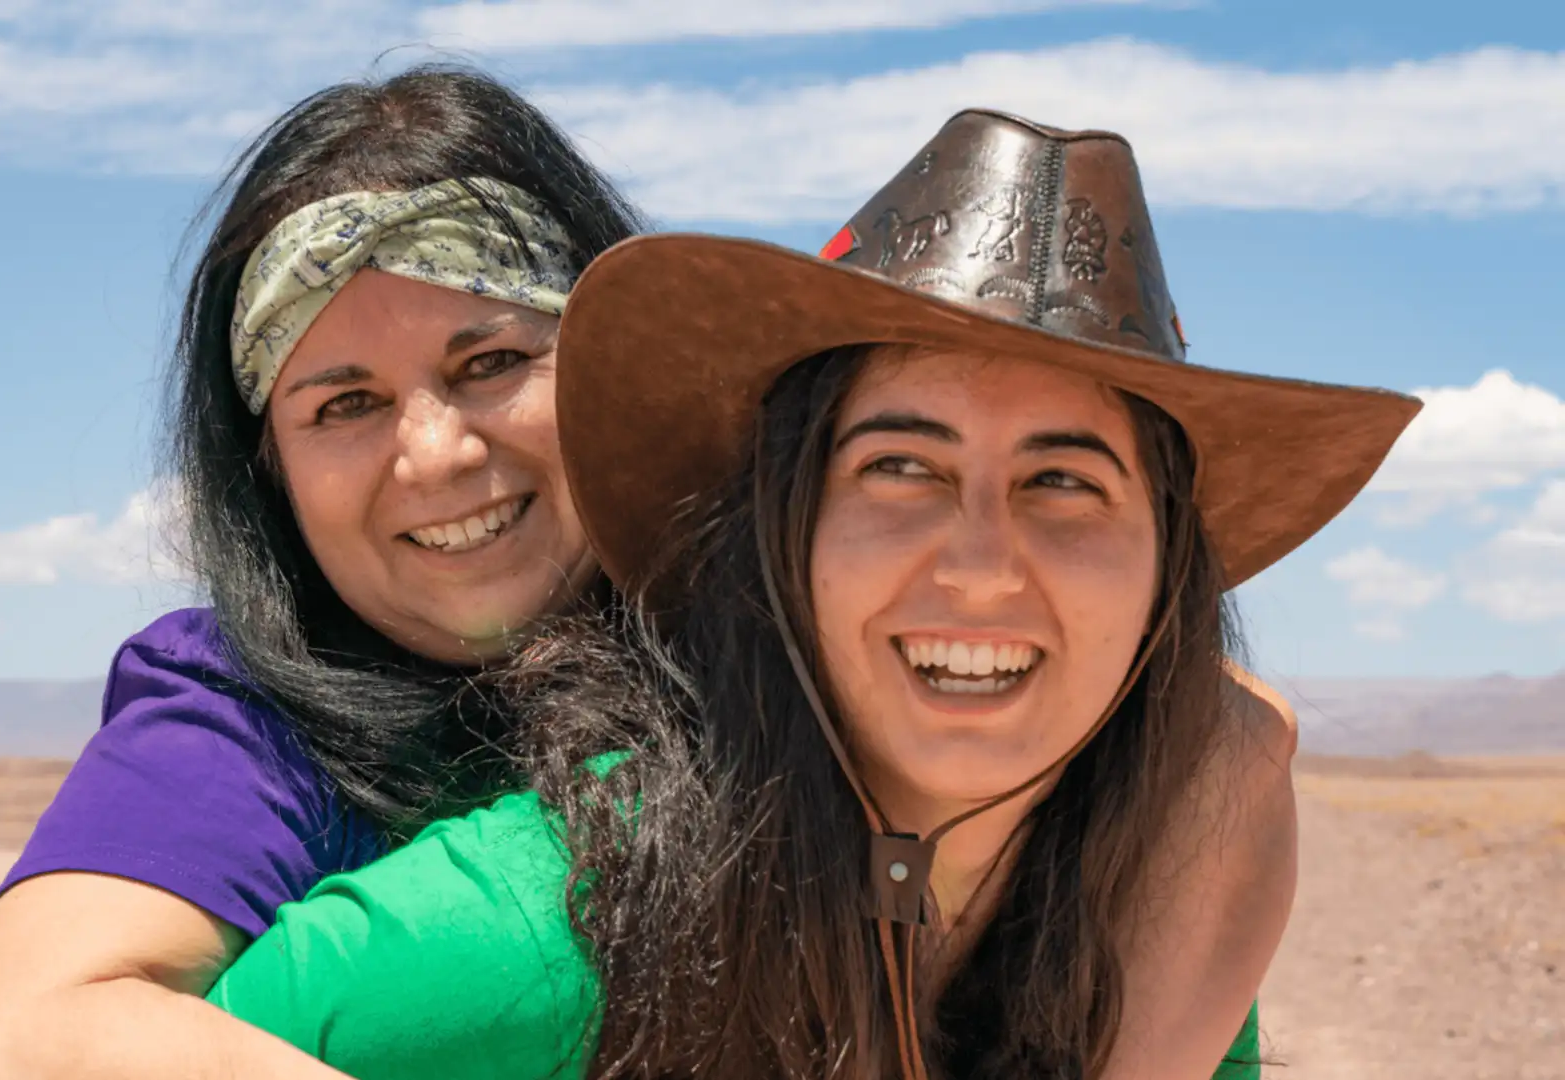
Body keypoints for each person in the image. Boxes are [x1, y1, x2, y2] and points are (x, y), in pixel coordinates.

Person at [201, 110, 1421, 1080]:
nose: (984, 563)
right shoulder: (534, 932)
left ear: (1167, 577)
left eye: (1065, 480)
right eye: (900, 467)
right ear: (780, 537)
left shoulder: (1138, 928)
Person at [0, 65, 646, 1080]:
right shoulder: (241, 721)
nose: (434, 453)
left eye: (490, 363)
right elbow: (7, 1047)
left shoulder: (775, 627)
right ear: (272, 473)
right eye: (345, 405)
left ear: (621, 362)